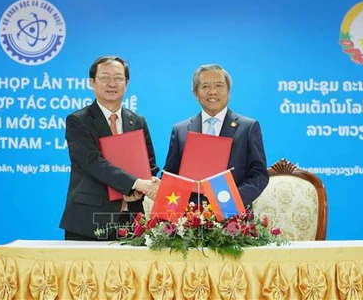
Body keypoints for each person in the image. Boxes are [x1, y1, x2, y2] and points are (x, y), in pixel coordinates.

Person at [60, 55, 160, 240]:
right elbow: (92, 162)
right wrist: (134, 184)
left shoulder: (137, 121)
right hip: (89, 220)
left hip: (131, 219)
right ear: (92, 82)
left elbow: (149, 165)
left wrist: (144, 188)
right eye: (104, 77)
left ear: (126, 83)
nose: (111, 83)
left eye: (118, 78)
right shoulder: (78, 121)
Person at [164, 64, 268, 207]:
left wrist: (230, 201)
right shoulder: (180, 130)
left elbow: (259, 176)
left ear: (228, 90)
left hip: (233, 218)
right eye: (205, 86)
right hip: (190, 217)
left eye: (219, 85)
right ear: (195, 93)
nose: (212, 92)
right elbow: (171, 175)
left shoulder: (248, 127)